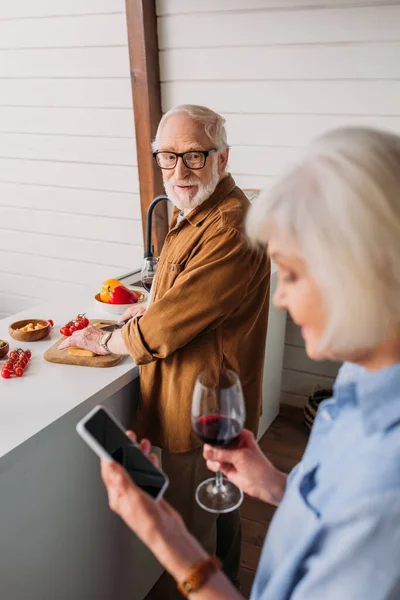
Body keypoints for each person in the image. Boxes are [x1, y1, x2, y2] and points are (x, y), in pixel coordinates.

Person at [100, 126, 400, 599]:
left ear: (373, 269)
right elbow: (330, 511)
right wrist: (280, 486)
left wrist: (170, 543)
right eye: (168, 157)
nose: (279, 296)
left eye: (295, 273)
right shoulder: (360, 382)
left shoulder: (385, 485)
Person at [60, 105, 271, 592]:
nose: (179, 171)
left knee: (194, 541)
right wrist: (149, 303)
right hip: (196, 398)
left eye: (194, 156)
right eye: (167, 157)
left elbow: (176, 321)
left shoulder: (230, 224)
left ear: (222, 158)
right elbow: (179, 297)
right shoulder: (197, 210)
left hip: (202, 408)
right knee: (220, 520)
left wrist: (106, 338)